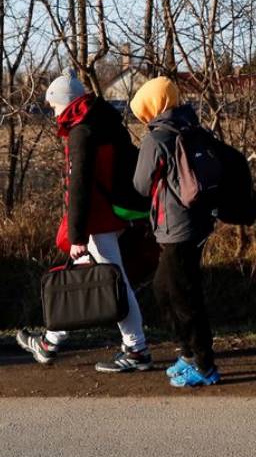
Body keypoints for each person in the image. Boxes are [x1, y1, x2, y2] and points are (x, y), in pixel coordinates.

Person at [16, 73, 153, 373]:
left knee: (115, 283)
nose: (54, 114)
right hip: (114, 212)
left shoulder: (82, 131)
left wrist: (77, 234)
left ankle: (137, 348)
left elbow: (79, 186)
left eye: (54, 108)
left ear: (64, 104)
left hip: (98, 218)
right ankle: (50, 342)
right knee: (82, 276)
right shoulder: (106, 120)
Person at [130, 76, 220, 388]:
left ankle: (204, 364)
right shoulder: (190, 125)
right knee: (167, 289)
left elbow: (141, 185)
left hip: (175, 227)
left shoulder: (157, 138)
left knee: (181, 296)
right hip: (197, 222)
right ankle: (189, 353)